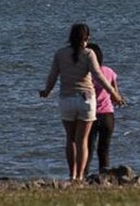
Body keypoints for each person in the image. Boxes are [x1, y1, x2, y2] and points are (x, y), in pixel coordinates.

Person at [39, 24, 124, 182]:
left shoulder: (60, 54)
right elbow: (98, 75)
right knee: (82, 141)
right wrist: (114, 93)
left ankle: (72, 174)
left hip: (66, 99)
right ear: (86, 37)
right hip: (86, 99)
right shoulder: (89, 53)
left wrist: (46, 91)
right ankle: (79, 177)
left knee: (70, 139)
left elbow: (52, 76)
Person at [86, 43, 126, 175]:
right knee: (104, 149)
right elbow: (115, 94)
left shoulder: (87, 75)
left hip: (91, 114)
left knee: (88, 148)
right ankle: (104, 176)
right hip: (108, 115)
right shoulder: (109, 72)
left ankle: (83, 175)